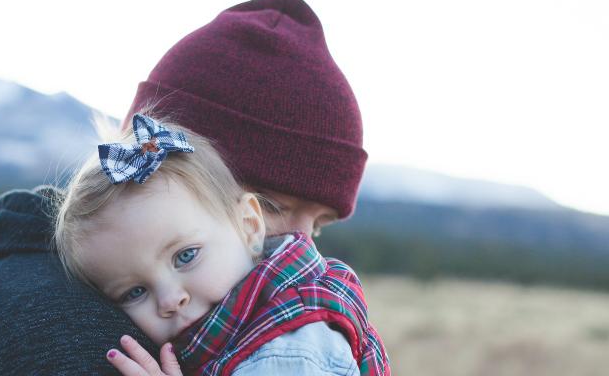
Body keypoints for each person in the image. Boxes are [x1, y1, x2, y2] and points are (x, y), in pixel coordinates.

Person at [0, 0, 376, 375]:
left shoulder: (262, 331)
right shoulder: (71, 332)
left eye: (317, 226)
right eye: (272, 204)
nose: (303, 248)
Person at [55, 113, 388, 375]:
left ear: (249, 225)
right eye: (134, 292)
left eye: (185, 256)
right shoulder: (238, 331)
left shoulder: (288, 347)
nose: (170, 300)